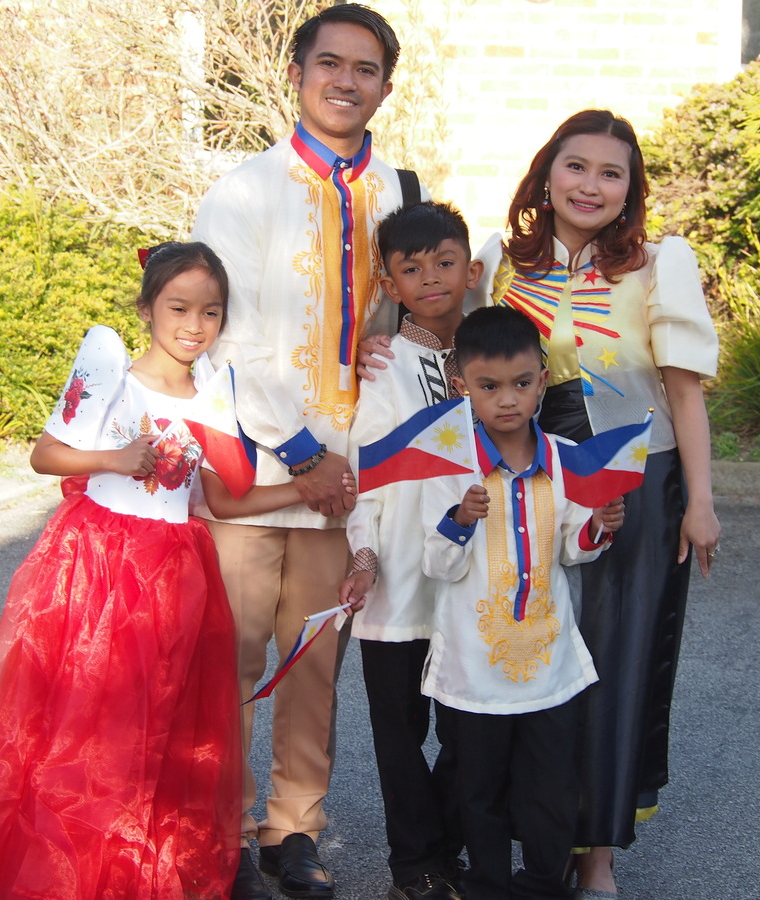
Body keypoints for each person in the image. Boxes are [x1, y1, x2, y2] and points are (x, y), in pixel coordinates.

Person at [0, 241, 265, 900]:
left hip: (177, 571)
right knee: (89, 722)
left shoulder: (213, 392)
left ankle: (141, 864)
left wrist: (305, 492)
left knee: (163, 723)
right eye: (178, 307)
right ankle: (74, 870)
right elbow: (46, 455)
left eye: (210, 311)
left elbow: (220, 499)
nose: (194, 324)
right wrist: (113, 459)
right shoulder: (114, 376)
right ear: (147, 308)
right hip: (102, 565)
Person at [188, 5, 419, 900]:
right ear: (296, 74)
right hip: (258, 474)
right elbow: (225, 340)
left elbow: (407, 318)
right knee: (233, 663)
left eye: (366, 69)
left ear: (385, 88)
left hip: (348, 482)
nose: (345, 81)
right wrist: (300, 453)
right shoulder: (242, 191)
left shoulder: (397, 192)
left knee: (314, 663)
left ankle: (294, 832)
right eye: (330, 63)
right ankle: (223, 834)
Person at [491, 109, 721, 897]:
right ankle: (534, 836)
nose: (590, 185)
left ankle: (596, 853)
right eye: (576, 166)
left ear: (630, 190)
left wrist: (700, 502)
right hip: (526, 479)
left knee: (616, 658)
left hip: (636, 479)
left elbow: (683, 394)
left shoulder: (659, 265)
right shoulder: (501, 263)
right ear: (546, 175)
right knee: (526, 646)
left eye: (610, 173)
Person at [419, 305, 624, 900]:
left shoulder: (564, 457)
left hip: (549, 664)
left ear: (543, 380)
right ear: (462, 385)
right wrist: (460, 520)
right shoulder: (450, 464)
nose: (507, 400)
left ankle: (540, 885)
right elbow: (436, 565)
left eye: (522, 383)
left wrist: (598, 525)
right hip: (473, 664)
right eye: (488, 386)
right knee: (477, 788)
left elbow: (572, 550)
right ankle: (486, 884)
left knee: (551, 788)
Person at [337, 201, 483, 900]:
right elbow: (366, 470)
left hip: (468, 577)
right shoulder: (386, 364)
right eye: (412, 269)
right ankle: (414, 865)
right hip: (397, 579)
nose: (431, 279)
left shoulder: (490, 358)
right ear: (390, 284)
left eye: (445, 263)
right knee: (399, 733)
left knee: (467, 728)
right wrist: (363, 555)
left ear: (470, 271)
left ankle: (448, 849)